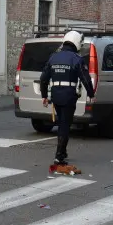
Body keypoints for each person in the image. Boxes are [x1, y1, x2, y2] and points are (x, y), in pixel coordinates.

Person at [39, 30, 95, 172]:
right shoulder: (76, 58)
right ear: (76, 42)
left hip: (56, 96)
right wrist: (91, 93)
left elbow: (44, 78)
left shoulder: (54, 57)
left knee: (62, 123)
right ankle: (59, 157)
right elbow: (85, 78)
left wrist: (44, 95)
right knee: (65, 125)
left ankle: (62, 152)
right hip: (69, 96)